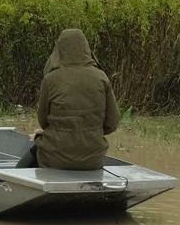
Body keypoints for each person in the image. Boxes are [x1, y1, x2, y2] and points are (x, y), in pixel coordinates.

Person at [17, 28, 120, 169]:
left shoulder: (50, 79)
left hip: (54, 157)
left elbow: (43, 121)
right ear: (86, 49)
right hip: (93, 159)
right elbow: (112, 123)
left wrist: (57, 133)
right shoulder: (101, 77)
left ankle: (6, 185)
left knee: (34, 151)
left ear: (59, 50)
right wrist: (89, 132)